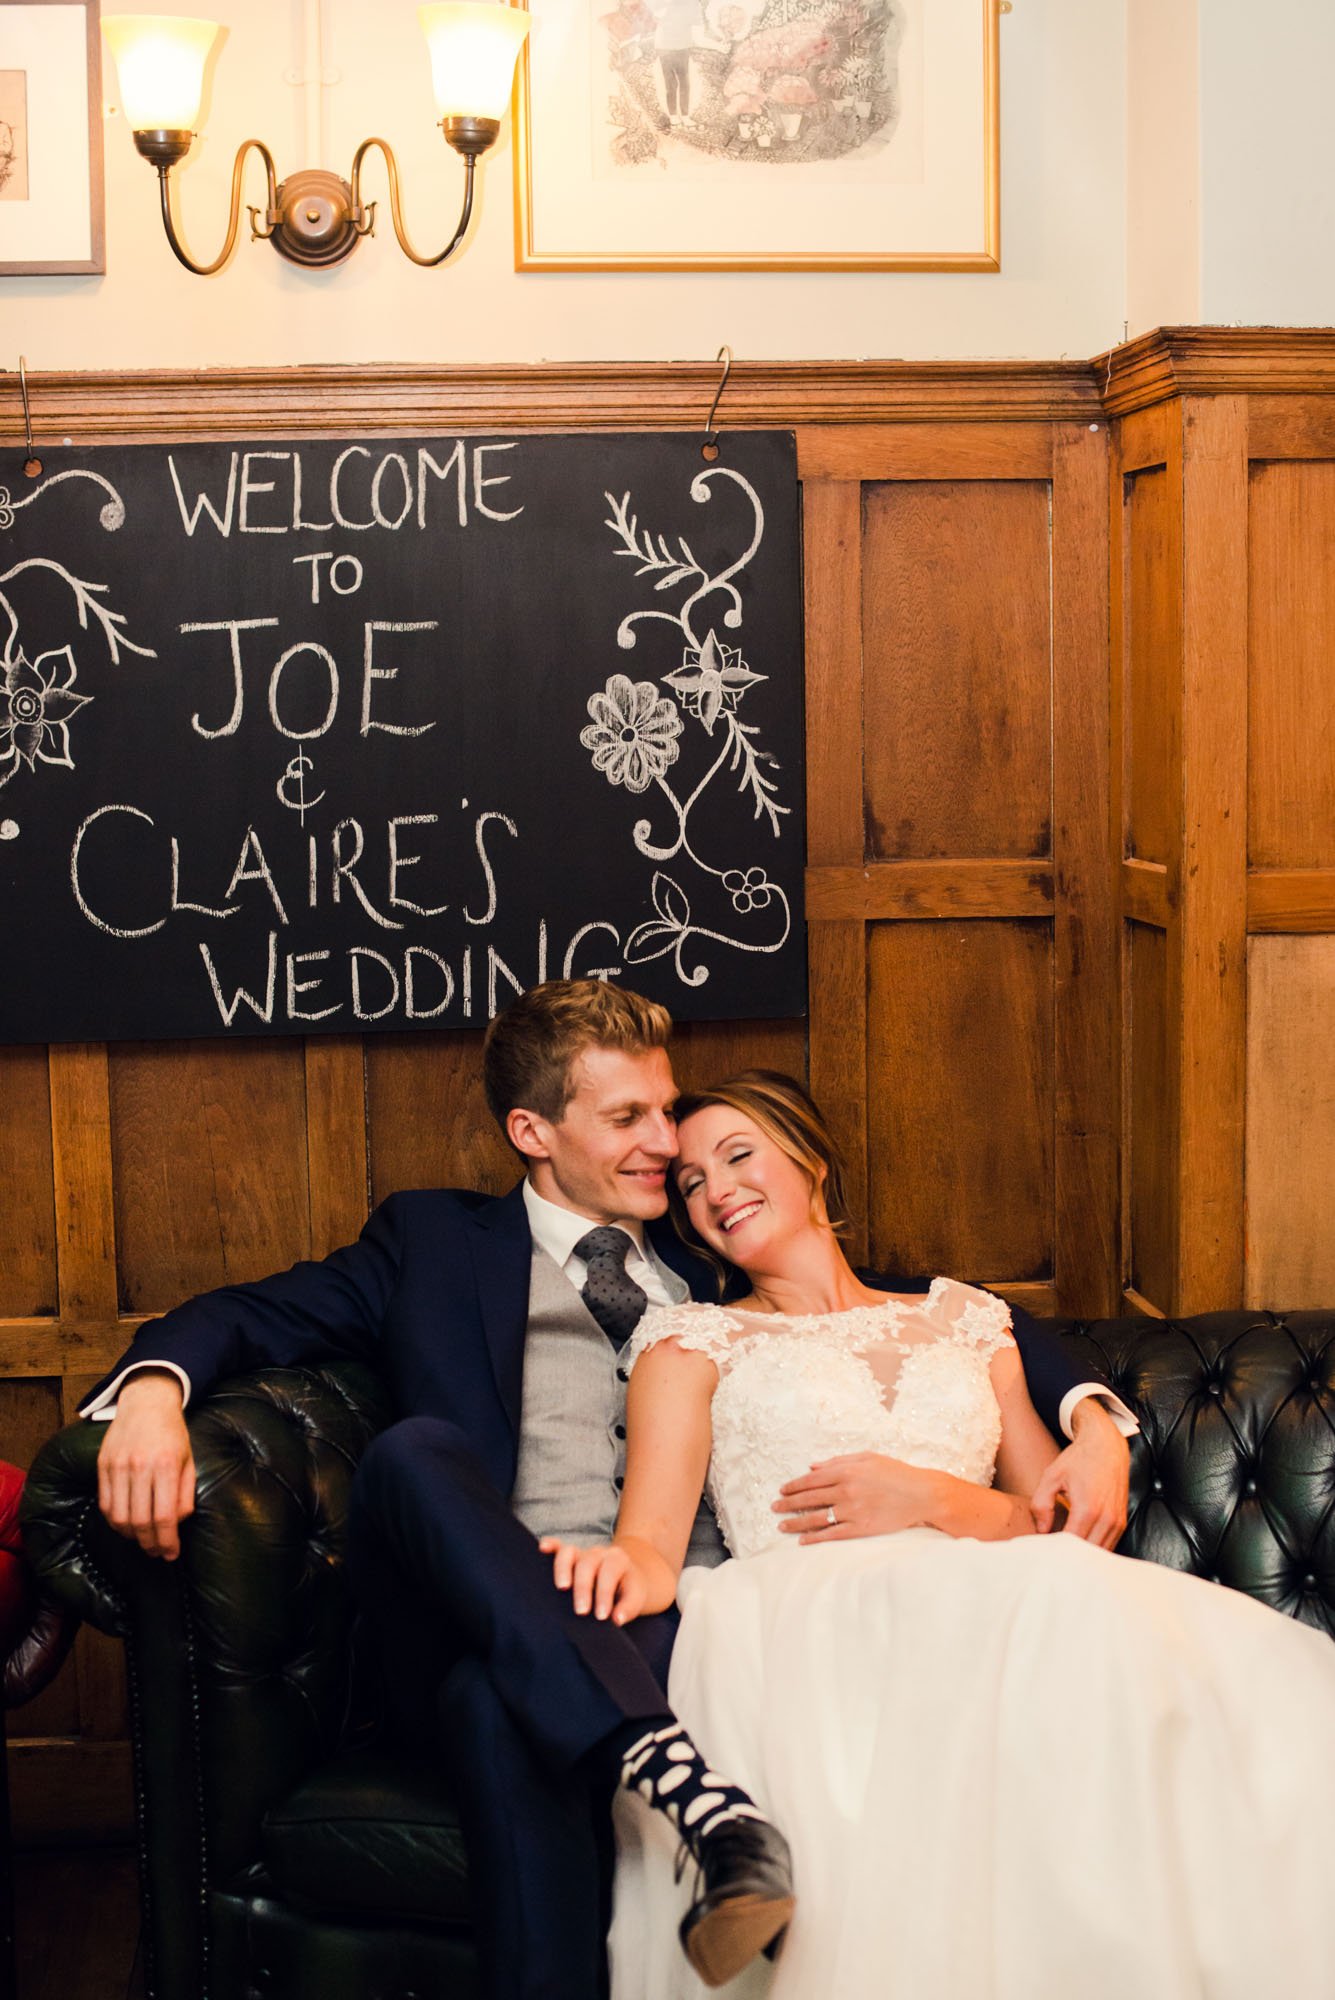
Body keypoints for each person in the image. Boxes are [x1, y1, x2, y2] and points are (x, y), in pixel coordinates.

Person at [81, 985, 1132, 2000]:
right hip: (473, 1606)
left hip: (668, 1620)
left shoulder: (713, 1235)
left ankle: (666, 1773)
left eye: (668, 1108)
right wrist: (150, 1396)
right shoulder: (435, 1244)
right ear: (533, 1128)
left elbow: (931, 1315)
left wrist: (1093, 1414)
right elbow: (248, 1312)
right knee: (412, 1451)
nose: (668, 1143)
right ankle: (679, 1774)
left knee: (502, 1714)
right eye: (630, 1115)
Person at [547, 1071, 1335, 2000]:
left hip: (998, 1589)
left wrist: (927, 1497)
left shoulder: (962, 1321)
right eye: (687, 1184)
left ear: (811, 1162)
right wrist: (588, 1571)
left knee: (1150, 1644)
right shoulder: (689, 1342)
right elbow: (651, 1542)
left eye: (738, 1155)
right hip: (804, 1616)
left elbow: (1059, 1528)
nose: (714, 1190)